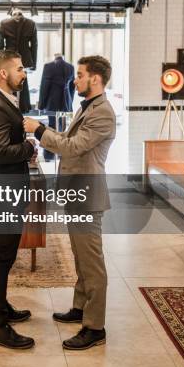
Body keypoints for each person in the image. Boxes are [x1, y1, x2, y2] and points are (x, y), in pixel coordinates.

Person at [24, 55, 116, 351]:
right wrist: (46, 135)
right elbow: (65, 137)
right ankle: (80, 307)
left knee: (93, 263)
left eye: (79, 75)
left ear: (96, 79)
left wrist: (38, 130)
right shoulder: (87, 106)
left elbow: (73, 147)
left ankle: (95, 326)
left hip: (88, 197)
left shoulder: (103, 113)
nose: (74, 80)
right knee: (80, 256)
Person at [0, 50, 36, 349]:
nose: (23, 73)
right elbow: (1, 153)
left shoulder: (3, 102)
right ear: (3, 73)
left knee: (5, 252)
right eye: (19, 68)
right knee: (2, 254)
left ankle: (0, 308)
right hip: (5, 191)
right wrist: (29, 148)